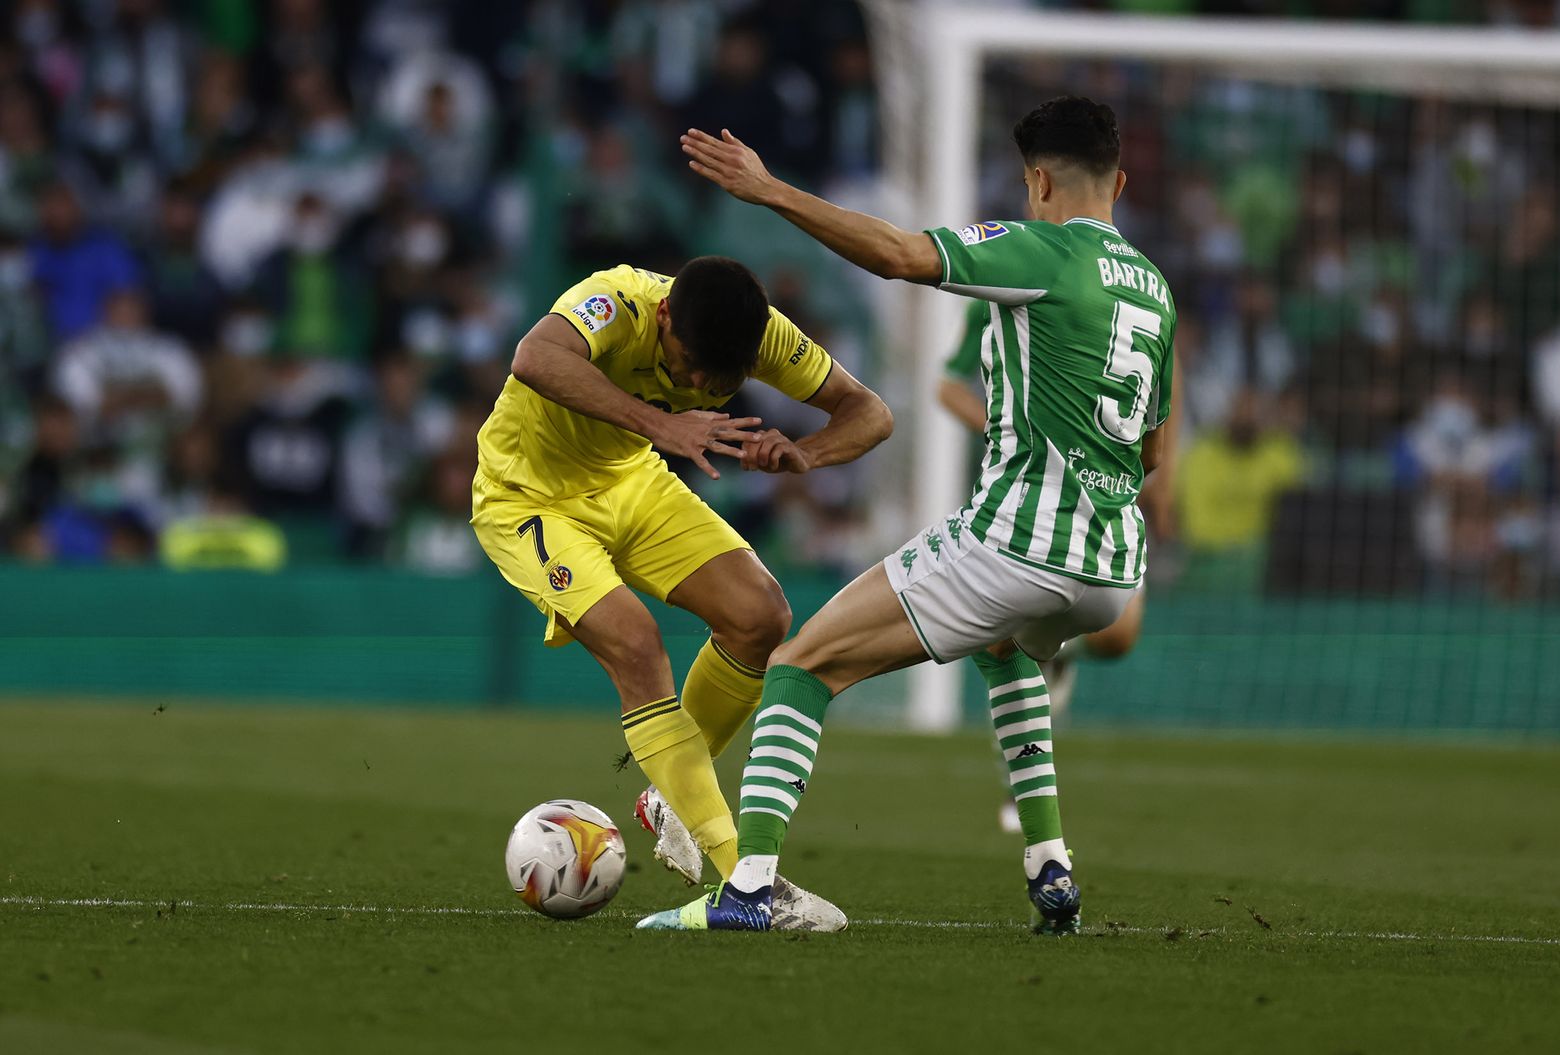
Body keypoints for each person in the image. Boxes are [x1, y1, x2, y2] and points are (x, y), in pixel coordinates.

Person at [641, 96, 1175, 934]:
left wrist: (773, 191)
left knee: (799, 662)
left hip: (1022, 540)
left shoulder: (1042, 248)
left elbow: (897, 254)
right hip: (1114, 566)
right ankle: (1052, 870)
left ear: (1037, 180)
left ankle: (746, 887)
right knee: (1002, 646)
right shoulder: (1156, 289)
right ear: (1121, 180)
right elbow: (1150, 449)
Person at [471, 256, 893, 931]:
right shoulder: (617, 301)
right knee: (636, 643)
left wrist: (808, 453)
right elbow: (534, 357)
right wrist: (662, 425)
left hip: (631, 484)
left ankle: (671, 798)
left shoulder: (764, 336)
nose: (699, 383)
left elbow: (870, 412)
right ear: (665, 316)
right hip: (530, 496)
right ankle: (745, 879)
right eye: (690, 363)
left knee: (761, 616)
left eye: (719, 378)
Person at [938, 299, 1161, 834]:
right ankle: (1028, 809)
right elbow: (948, 387)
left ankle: (1053, 649)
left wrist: (1159, 480)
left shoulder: (1129, 290)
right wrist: (1009, 428)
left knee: (1119, 635)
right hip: (1029, 498)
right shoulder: (1002, 293)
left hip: (1104, 492)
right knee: (1011, 649)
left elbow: (1160, 404)